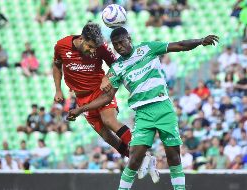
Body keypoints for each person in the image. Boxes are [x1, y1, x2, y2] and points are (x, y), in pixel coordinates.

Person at [67, 27, 219, 190]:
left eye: (121, 42)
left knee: (173, 156)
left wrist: (200, 41)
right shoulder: (117, 68)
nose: (119, 47)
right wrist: (81, 109)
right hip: (142, 114)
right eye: (115, 45)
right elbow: (106, 97)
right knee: (134, 158)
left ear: (129, 39)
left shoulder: (147, 48)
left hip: (163, 108)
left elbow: (180, 45)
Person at [53, 22, 157, 179]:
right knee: (108, 138)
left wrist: (106, 77)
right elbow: (56, 65)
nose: (92, 51)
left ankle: (143, 155)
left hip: (101, 92)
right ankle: (140, 161)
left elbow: (116, 65)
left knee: (109, 120)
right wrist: (58, 89)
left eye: (95, 48)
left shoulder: (101, 48)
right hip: (82, 98)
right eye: (90, 46)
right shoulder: (62, 45)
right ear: (81, 39)